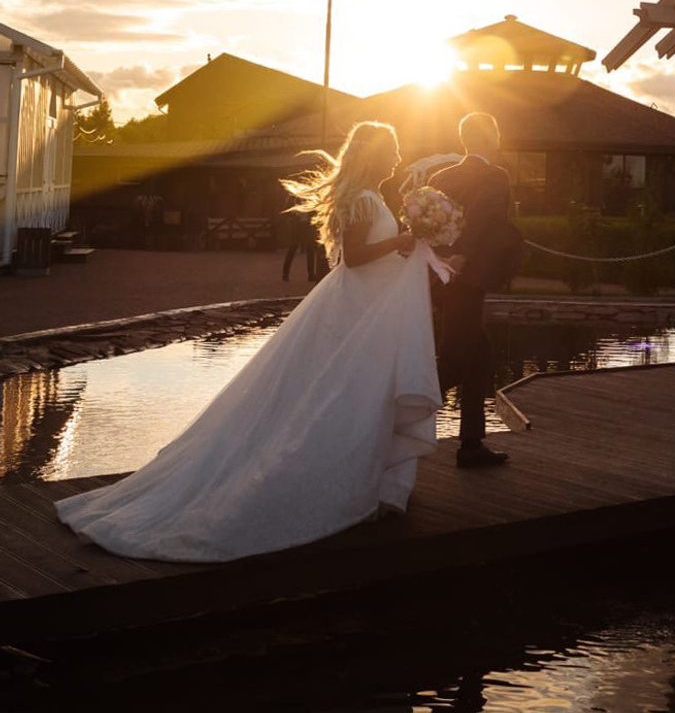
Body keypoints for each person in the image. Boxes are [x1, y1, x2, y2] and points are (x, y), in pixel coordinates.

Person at [55, 122, 445, 562]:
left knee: (345, 396)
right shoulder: (363, 200)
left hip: (363, 312)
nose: (396, 158)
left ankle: (359, 479)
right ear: (374, 154)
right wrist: (403, 240)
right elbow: (354, 259)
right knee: (337, 396)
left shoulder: (369, 198)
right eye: (391, 150)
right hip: (352, 311)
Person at [429, 112, 524, 468]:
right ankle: (398, 419)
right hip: (466, 279)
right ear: (490, 138)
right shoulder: (495, 177)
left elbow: (426, 224)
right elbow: (483, 216)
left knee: (481, 355)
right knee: (454, 359)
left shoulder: (440, 177)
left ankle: (471, 444)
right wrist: (462, 256)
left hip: (439, 277)